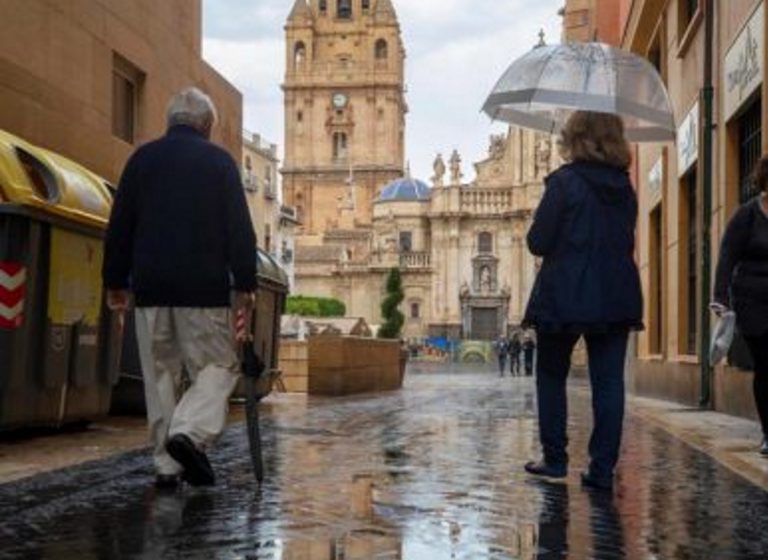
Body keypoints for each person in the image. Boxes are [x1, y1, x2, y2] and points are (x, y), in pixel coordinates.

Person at [103, 88, 257, 489]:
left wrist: (115, 281)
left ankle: (167, 467)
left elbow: (120, 225)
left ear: (170, 121)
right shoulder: (220, 164)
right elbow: (240, 229)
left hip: (150, 290)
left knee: (160, 378)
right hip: (202, 291)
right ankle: (187, 435)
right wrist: (245, 284)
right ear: (206, 125)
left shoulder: (141, 161)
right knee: (218, 367)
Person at [522, 111, 643, 491]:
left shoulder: (563, 183)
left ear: (575, 140)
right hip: (616, 293)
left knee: (551, 375)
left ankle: (555, 460)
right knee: (609, 383)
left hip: (565, 295)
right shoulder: (625, 188)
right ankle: (602, 470)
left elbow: (538, 242)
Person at [713, 156, 768, 457]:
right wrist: (720, 297)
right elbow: (727, 256)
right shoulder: (747, 216)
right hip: (753, 302)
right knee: (766, 366)